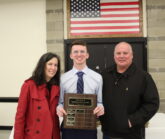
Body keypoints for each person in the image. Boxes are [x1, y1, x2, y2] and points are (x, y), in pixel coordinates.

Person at [100, 42, 159, 139]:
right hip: (108, 133)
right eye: (118, 53)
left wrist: (132, 121)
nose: (121, 56)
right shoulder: (105, 75)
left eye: (125, 53)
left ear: (132, 55)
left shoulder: (143, 77)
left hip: (132, 134)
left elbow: (152, 104)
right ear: (114, 56)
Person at [56, 40, 104, 139]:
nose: (79, 54)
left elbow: (99, 102)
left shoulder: (97, 77)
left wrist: (100, 107)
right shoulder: (63, 78)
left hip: (89, 125)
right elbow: (60, 102)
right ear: (71, 55)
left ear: (87, 55)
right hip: (69, 125)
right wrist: (59, 108)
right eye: (76, 52)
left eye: (82, 51)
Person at [14, 52, 61, 139]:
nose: (53, 68)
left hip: (52, 135)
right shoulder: (29, 85)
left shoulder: (57, 87)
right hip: (34, 135)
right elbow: (20, 116)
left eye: (56, 65)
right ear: (42, 65)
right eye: (50, 64)